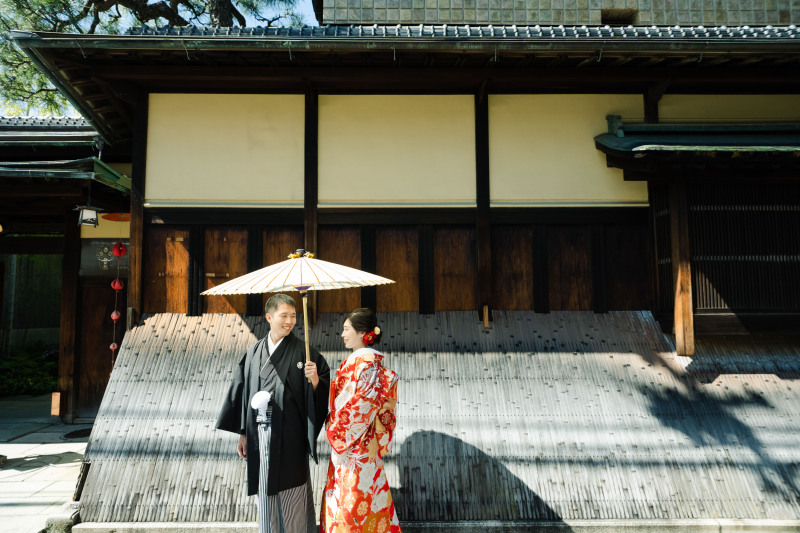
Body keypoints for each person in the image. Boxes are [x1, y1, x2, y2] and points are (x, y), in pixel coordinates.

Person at [216, 293, 330, 533]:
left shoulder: (305, 353)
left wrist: (316, 381)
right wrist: (243, 433)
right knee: (265, 497)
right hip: (259, 439)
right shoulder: (253, 353)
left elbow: (319, 399)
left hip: (290, 438)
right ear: (269, 317)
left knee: (292, 498)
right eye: (284, 315)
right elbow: (243, 392)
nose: (290, 321)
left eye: (293, 316)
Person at [320, 308, 401, 533]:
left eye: (346, 329)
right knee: (353, 497)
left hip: (356, 444)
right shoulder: (360, 362)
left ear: (362, 333)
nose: (342, 334)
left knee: (355, 499)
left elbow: (361, 407)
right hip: (355, 442)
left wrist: (336, 429)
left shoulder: (366, 364)